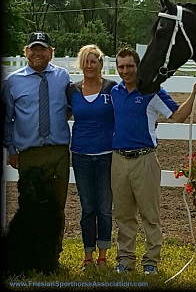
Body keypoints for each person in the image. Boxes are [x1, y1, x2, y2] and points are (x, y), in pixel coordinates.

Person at [111, 47, 196, 275]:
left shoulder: (152, 93)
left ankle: (150, 261)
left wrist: (195, 93)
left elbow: (178, 116)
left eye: (130, 66)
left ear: (138, 66)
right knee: (123, 215)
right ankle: (125, 261)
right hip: (118, 160)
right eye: (121, 66)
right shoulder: (114, 92)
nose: (125, 71)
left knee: (149, 214)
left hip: (144, 159)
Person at [1, 31, 72, 268]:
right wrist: (11, 148)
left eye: (42, 49)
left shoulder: (63, 77)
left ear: (51, 53)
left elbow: (73, 107)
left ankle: (52, 258)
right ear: (26, 51)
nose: (38, 53)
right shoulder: (13, 82)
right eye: (33, 49)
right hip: (29, 154)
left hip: (58, 151)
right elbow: (7, 118)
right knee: (29, 210)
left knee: (56, 209)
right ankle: (28, 258)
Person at [66, 44, 117, 270]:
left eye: (93, 61)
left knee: (105, 208)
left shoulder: (111, 89)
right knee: (88, 208)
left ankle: (103, 256)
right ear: (81, 64)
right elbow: (63, 114)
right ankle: (87, 255)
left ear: (100, 64)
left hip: (106, 155)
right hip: (81, 156)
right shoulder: (72, 91)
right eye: (85, 61)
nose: (89, 65)